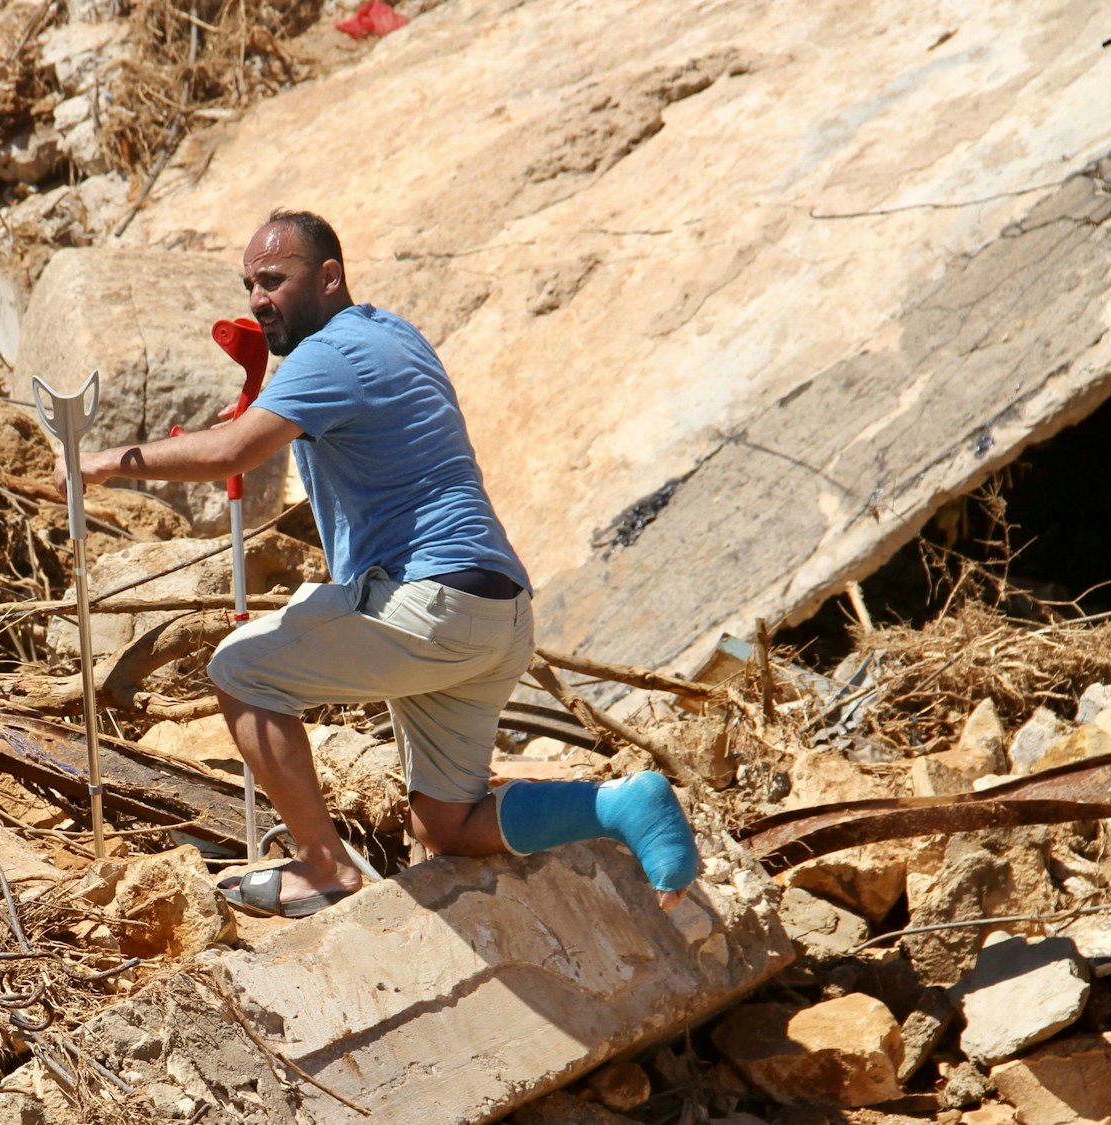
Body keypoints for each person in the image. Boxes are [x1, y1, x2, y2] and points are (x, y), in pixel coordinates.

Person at [55, 210, 699, 917]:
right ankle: (622, 806)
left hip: (430, 603)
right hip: (497, 611)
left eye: (274, 280)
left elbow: (231, 453)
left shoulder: (328, 356)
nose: (257, 299)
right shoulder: (394, 333)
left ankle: (323, 865)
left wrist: (102, 462)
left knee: (240, 670)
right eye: (248, 285)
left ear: (327, 276)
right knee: (445, 826)